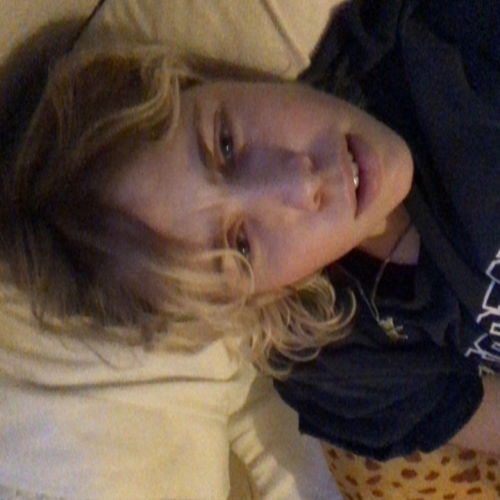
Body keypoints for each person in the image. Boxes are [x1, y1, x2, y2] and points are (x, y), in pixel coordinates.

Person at [0, 0, 498, 486]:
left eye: (226, 144)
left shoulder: (438, 38)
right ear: (248, 299)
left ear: (212, 79)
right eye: (240, 248)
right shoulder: (338, 369)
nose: (300, 184)